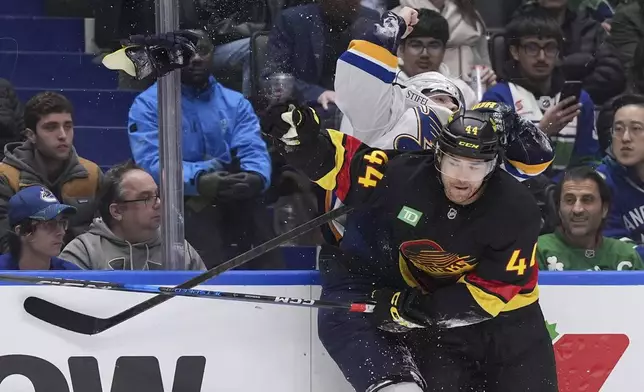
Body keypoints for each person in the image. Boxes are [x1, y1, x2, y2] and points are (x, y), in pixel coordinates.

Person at [261, 12, 557, 390]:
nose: (462, 177)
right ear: (437, 154)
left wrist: (416, 310)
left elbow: (493, 291)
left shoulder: (514, 206)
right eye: (453, 161)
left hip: (508, 323)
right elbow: (344, 161)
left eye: (474, 165)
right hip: (436, 319)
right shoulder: (403, 172)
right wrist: (303, 143)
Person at [128, 31, 280, 269]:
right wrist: (200, 179)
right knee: (198, 213)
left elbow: (253, 148)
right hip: (183, 199)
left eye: (203, 51)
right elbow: (151, 163)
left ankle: (274, 285)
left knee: (256, 209)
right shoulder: (148, 104)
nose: (196, 58)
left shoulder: (236, 102)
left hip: (232, 192)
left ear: (213, 55)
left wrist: (255, 176)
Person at [482, 7, 600, 177]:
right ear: (515, 51)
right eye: (532, 47)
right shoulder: (497, 98)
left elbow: (588, 161)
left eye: (550, 48)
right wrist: (541, 132)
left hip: (567, 195)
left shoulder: (580, 100)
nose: (542, 57)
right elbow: (493, 164)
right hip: (517, 195)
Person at [0, 92, 103, 248]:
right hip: (25, 270)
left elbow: (107, 236)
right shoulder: (6, 177)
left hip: (82, 267)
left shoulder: (91, 174)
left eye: (68, 126)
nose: (62, 135)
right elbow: (5, 244)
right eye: (51, 127)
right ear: (31, 135)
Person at [60, 161, 205, 271]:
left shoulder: (178, 248)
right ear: (117, 211)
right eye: (146, 198)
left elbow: (205, 301)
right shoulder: (84, 252)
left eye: (157, 195)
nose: (158, 203)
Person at [537, 166, 644, 270]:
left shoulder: (627, 255)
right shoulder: (537, 251)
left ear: (604, 209)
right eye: (569, 200)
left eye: (587, 200)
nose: (577, 209)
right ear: (559, 209)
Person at [596, 94, 644, 260]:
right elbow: (616, 249)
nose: (625, 138)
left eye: (636, 129)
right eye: (618, 129)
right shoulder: (601, 182)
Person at [0, 186, 80, 270]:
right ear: (21, 232)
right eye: (49, 224)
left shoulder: (72, 275)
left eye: (62, 223)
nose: (61, 232)